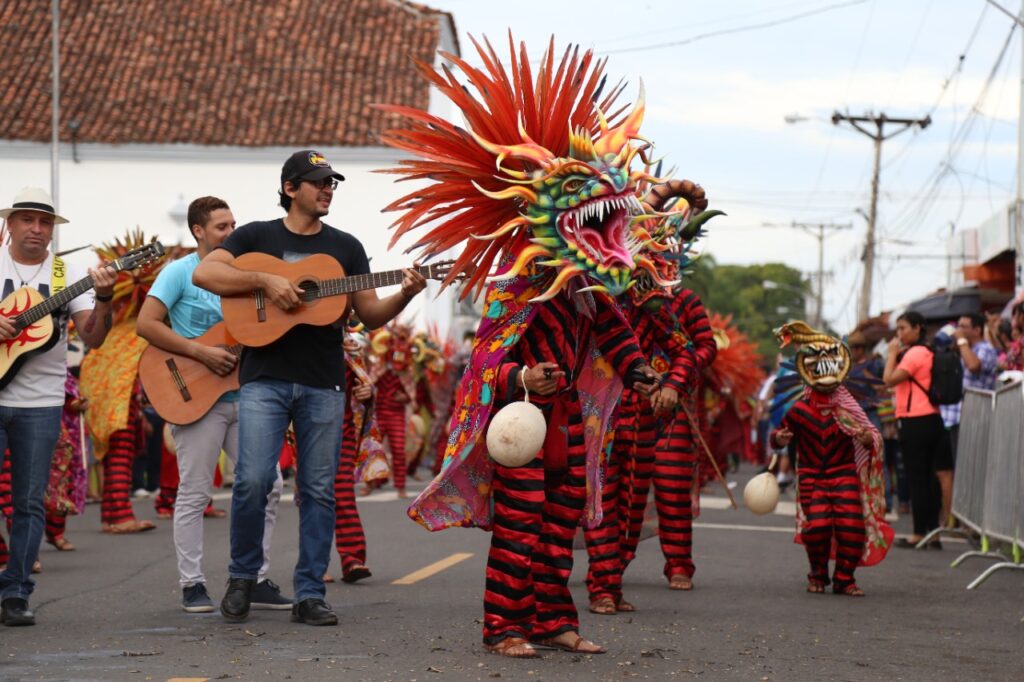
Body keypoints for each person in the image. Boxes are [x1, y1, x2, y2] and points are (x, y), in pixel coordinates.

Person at [193, 150, 426, 626]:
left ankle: (310, 593)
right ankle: (242, 579)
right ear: (289, 188)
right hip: (264, 380)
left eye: (331, 183)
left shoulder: (346, 247)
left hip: (324, 382)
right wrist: (265, 281)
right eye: (318, 182)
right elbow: (205, 273)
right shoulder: (255, 236)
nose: (327, 190)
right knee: (254, 481)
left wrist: (404, 292)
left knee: (320, 490)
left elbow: (371, 314)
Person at [136, 196, 289, 614]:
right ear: (198, 231)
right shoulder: (178, 273)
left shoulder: (248, 275)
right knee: (195, 493)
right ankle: (192, 584)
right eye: (222, 226)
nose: (231, 232)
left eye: (234, 224)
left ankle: (255, 578)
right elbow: (145, 324)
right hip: (195, 395)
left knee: (270, 485)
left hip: (251, 396)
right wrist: (200, 353)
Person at [0, 187, 117, 626]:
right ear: (9, 224)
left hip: (42, 402)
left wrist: (104, 297)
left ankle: (16, 592)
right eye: (27, 219)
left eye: (44, 221)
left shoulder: (66, 272)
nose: (36, 228)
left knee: (30, 502)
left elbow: (94, 336)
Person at [772, 322, 891, 596]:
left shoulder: (847, 408)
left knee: (851, 527)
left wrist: (866, 440)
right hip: (812, 476)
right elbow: (779, 435)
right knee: (816, 529)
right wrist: (778, 440)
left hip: (844, 473)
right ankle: (817, 574)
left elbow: (872, 435)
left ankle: (844, 579)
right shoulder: (799, 410)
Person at [883, 311, 953, 548]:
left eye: (903, 328)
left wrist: (892, 354)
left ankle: (918, 533)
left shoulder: (914, 353)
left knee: (917, 479)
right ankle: (933, 534)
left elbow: (889, 379)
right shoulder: (929, 352)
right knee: (930, 479)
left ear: (917, 328)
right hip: (932, 419)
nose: (899, 333)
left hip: (915, 420)